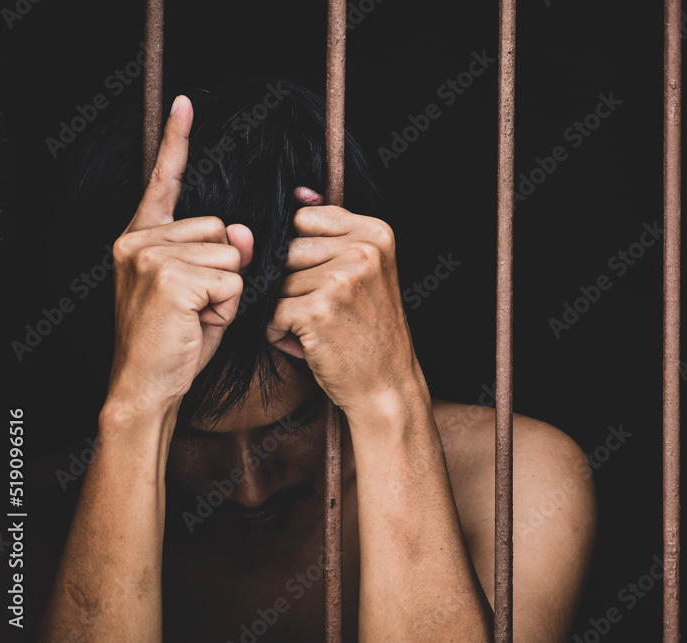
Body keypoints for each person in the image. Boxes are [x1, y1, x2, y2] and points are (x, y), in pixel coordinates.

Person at [34, 79, 596, 642]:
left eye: (295, 421)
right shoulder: (34, 503)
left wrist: (387, 400)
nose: (250, 487)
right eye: (190, 434)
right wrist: (136, 411)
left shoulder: (513, 476)